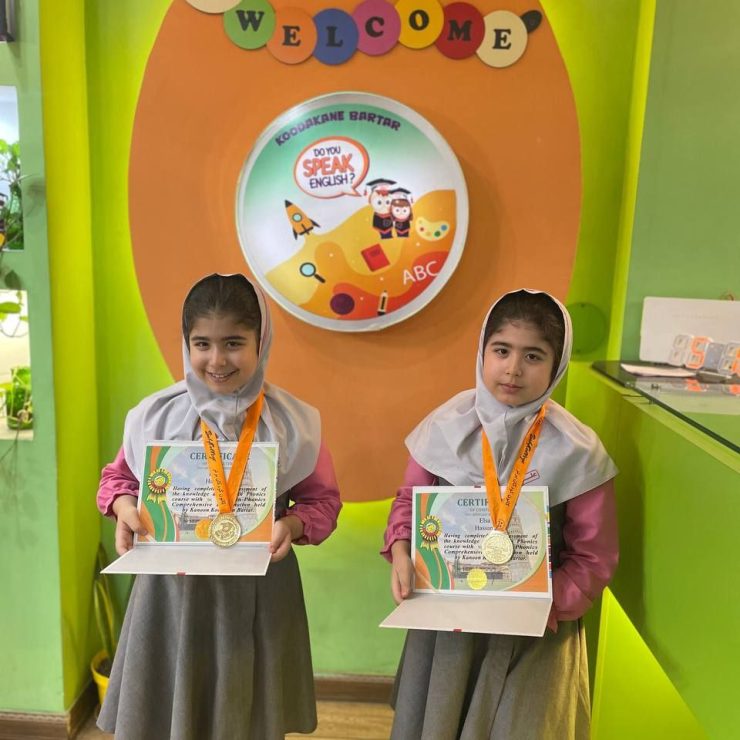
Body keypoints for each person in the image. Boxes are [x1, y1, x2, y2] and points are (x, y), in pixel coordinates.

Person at [96, 273, 341, 740]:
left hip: (259, 593)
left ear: (260, 342)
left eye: (233, 343)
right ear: (185, 343)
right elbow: (118, 479)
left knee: (246, 715)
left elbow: (322, 501)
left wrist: (292, 524)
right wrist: (125, 507)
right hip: (172, 595)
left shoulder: (294, 423)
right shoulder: (155, 416)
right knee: (170, 712)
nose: (216, 360)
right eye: (202, 344)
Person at [382, 289, 619, 739]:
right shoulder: (445, 426)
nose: (513, 369)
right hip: (450, 628)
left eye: (533, 356)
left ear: (557, 364)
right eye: (502, 350)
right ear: (482, 352)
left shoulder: (578, 450)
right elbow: (408, 504)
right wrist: (400, 551)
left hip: (536, 634)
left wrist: (543, 604)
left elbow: (595, 556)